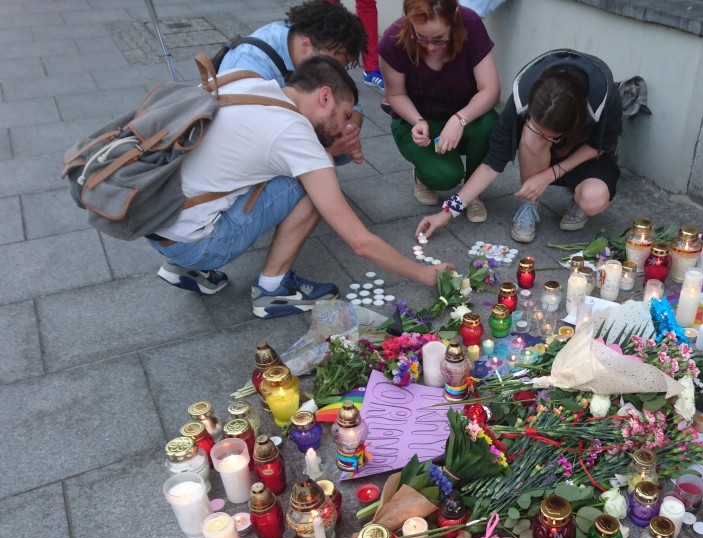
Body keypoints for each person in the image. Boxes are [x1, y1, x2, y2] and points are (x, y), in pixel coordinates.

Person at [147, 57, 445, 316]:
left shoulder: (245, 81)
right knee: (310, 184)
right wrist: (426, 275)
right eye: (344, 115)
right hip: (195, 243)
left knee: (295, 171)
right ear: (325, 95)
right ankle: (272, 290)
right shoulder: (294, 134)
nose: (344, 128)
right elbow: (361, 243)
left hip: (154, 220)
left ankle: (188, 268)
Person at [416, 48, 621, 244]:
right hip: (540, 155)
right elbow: (491, 164)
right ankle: (530, 204)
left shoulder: (604, 96)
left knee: (593, 200)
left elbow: (600, 145)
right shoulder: (523, 94)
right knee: (533, 137)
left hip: (586, 154)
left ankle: (577, 200)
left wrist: (549, 175)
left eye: (551, 135)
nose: (544, 136)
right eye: (538, 126)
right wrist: (447, 212)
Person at [379, 0, 499, 221]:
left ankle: (472, 191)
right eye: (421, 37)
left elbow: (490, 90)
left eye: (439, 39)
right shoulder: (392, 39)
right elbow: (395, 95)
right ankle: (422, 175)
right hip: (417, 120)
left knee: (489, 122)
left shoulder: (470, 23)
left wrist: (460, 119)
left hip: (464, 117)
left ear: (454, 17)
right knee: (445, 177)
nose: (431, 47)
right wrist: (417, 121)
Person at [217, 0, 368, 164]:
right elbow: (255, 144)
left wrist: (348, 132)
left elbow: (349, 102)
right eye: (333, 65)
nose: (335, 73)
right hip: (238, 157)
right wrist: (325, 152)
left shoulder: (308, 45)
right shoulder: (252, 65)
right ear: (306, 45)